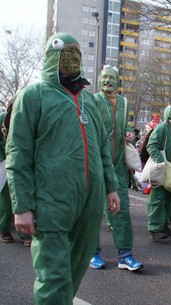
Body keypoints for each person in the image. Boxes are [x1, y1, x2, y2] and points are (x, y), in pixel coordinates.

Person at [6, 32, 120, 305]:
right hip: (51, 201)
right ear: (51, 58)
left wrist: (111, 187)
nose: (72, 58)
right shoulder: (33, 96)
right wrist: (22, 205)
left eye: (77, 53)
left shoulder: (90, 100)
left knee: (76, 266)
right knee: (53, 274)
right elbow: (18, 153)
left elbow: (103, 148)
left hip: (90, 201)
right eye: (65, 53)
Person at [90, 65, 143, 271]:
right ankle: (92, 253)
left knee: (120, 211)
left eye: (111, 78)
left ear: (118, 81)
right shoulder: (93, 100)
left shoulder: (124, 102)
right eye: (103, 78)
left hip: (118, 167)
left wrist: (129, 133)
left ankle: (125, 256)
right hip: (96, 165)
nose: (107, 81)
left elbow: (125, 127)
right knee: (94, 211)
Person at [147, 105, 171, 240]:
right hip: (162, 168)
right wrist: (161, 161)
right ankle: (155, 227)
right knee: (157, 198)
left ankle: (163, 224)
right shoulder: (162, 128)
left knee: (170, 197)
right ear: (169, 114)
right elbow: (151, 145)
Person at [0, 108, 32, 246]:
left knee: (24, 197)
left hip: (25, 162)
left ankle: (25, 233)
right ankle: (4, 229)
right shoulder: (4, 117)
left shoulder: (30, 116)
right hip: (6, 161)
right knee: (8, 197)